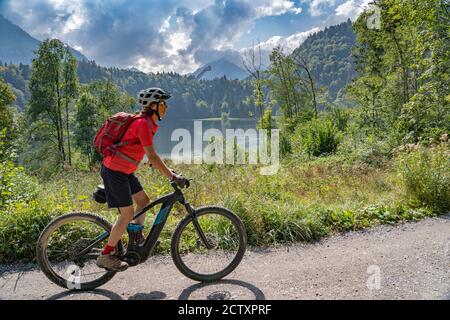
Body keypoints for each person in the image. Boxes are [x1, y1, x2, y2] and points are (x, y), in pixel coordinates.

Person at [96, 87, 188, 271]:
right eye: (163, 103)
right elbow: (152, 156)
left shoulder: (147, 123)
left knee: (143, 201)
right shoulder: (143, 124)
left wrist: (167, 169)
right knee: (127, 214)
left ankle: (135, 236)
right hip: (115, 171)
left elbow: (145, 153)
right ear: (153, 105)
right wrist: (172, 176)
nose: (166, 107)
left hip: (124, 171)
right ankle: (105, 255)